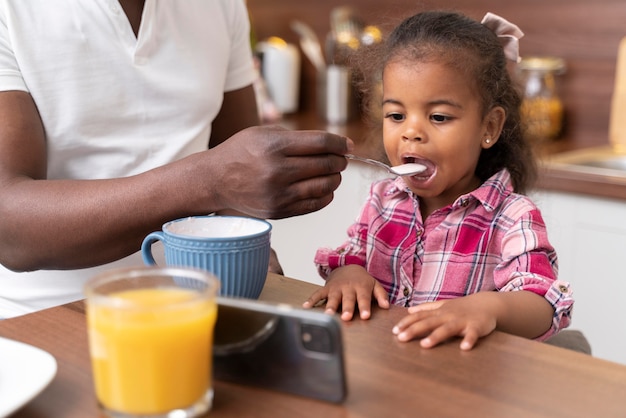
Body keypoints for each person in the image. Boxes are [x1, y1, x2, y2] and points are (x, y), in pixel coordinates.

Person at [0, 0, 353, 318]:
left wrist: (254, 263)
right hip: (45, 317)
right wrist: (208, 181)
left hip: (196, 307)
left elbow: (239, 172)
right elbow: (9, 228)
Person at [303, 11, 573, 350]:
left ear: (488, 127)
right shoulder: (383, 201)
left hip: (464, 387)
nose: (411, 132)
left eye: (439, 117)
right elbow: (354, 255)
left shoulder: (511, 216)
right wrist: (349, 274)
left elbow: (544, 304)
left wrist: (487, 308)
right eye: (396, 115)